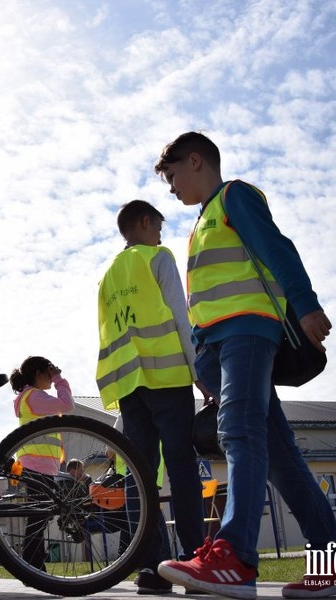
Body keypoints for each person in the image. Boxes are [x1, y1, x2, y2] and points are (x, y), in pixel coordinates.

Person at [154, 132, 336, 599]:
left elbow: (276, 247)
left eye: (172, 177)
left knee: (239, 432)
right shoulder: (204, 219)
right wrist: (207, 365)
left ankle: (235, 556)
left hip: (247, 332)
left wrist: (307, 304)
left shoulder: (234, 196)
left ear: (195, 161)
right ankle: (335, 561)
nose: (170, 189)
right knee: (281, 456)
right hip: (224, 348)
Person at [96, 200, 205, 595]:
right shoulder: (158, 257)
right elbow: (180, 314)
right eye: (159, 225)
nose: (162, 232)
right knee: (182, 469)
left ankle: (150, 569)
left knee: (139, 477)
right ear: (145, 222)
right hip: (168, 376)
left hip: (130, 386)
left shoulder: (108, 275)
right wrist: (200, 374)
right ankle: (195, 561)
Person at [11, 356, 75, 570]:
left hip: (37, 464)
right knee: (38, 515)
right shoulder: (34, 396)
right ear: (38, 374)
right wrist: (60, 379)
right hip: (37, 464)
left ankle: (34, 561)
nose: (51, 376)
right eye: (49, 372)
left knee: (39, 515)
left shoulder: (30, 397)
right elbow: (67, 404)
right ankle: (33, 562)